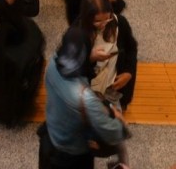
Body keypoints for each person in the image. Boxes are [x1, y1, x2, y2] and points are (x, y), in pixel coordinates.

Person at [41, 28, 128, 168]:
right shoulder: (85, 97)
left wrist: (90, 57)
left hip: (50, 139)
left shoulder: (52, 65)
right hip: (73, 155)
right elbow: (112, 132)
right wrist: (119, 122)